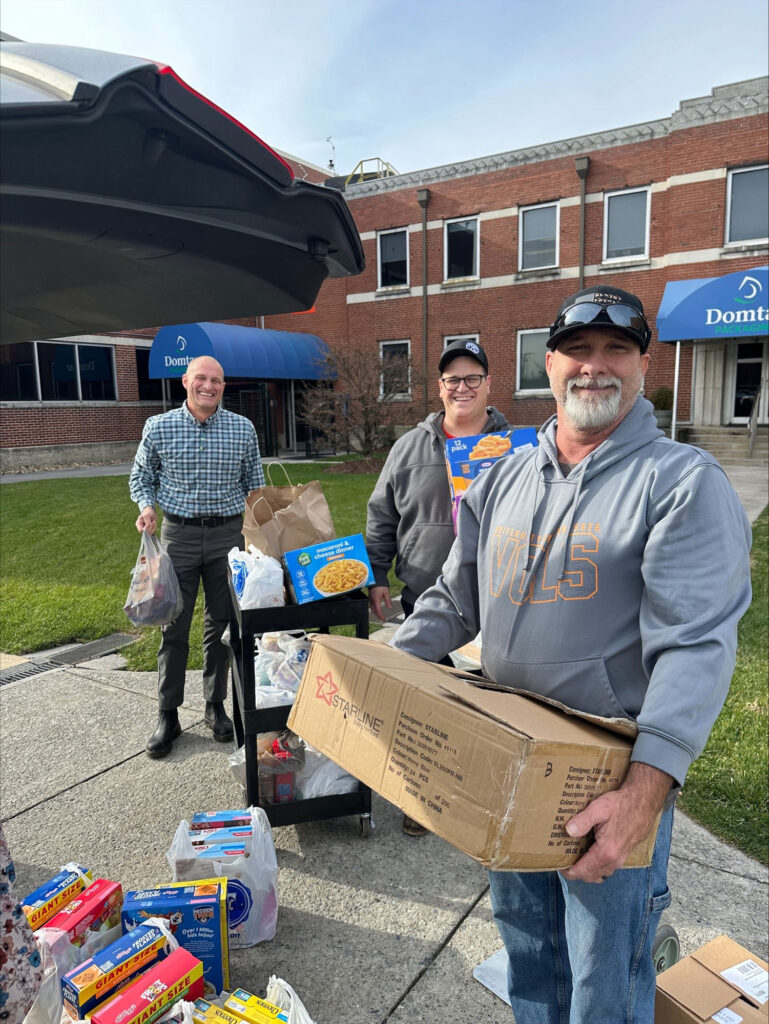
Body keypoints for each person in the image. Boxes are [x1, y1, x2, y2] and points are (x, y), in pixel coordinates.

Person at [391, 285, 752, 1021]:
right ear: (548, 365)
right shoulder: (504, 478)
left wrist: (643, 795)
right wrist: (383, 677)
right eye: (576, 351)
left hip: (608, 781)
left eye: (615, 350)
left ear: (643, 363)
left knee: (602, 976)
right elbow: (454, 600)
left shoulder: (680, 483)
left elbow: (694, 647)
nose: (594, 367)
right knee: (528, 947)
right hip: (508, 766)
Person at [366, 337, 510, 835]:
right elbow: (381, 514)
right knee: (424, 706)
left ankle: (491, 797)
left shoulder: (519, 450)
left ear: (489, 385)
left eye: (474, 378)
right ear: (440, 387)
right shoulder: (410, 446)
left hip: (499, 602)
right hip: (425, 598)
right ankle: (423, 796)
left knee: (491, 705)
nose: (463, 387)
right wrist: (376, 574)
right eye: (453, 379)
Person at [129, 355, 264, 759]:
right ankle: (167, 713)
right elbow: (142, 475)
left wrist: (261, 534)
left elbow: (254, 485)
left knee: (222, 626)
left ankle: (214, 704)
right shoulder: (159, 426)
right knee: (173, 624)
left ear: (224, 385)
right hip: (178, 534)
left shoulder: (242, 429)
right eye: (201, 378)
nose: (209, 386)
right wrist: (146, 505)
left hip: (228, 535)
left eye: (217, 380)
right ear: (185, 380)